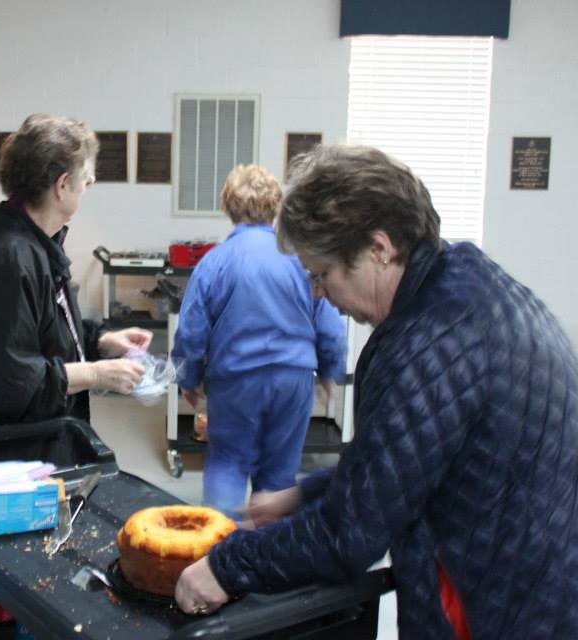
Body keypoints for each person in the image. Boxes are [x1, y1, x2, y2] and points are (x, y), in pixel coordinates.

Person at [174, 145, 578, 639]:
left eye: (322, 274)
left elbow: (349, 537)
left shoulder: (427, 344)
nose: (319, 293)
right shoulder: (469, 284)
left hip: (493, 605)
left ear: (378, 249)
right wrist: (303, 494)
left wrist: (224, 568)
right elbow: (407, 457)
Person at [0, 114, 151, 459]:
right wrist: (96, 374)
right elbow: (7, 387)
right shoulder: (8, 258)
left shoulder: (35, 242)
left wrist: (99, 341)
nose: (90, 183)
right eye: (86, 178)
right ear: (63, 185)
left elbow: (39, 333)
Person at [171, 164, 346, 516]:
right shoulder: (301, 261)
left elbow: (191, 331)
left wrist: (188, 381)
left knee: (228, 464)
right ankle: (270, 555)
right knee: (280, 473)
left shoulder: (214, 262)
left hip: (236, 382)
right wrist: (331, 370)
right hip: (293, 381)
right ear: (277, 207)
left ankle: (221, 551)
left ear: (228, 207)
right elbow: (329, 326)